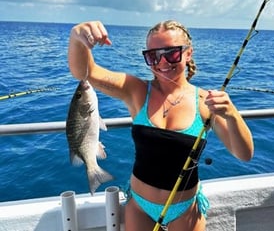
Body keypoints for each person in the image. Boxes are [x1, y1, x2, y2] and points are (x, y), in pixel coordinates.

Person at [68, 20, 254, 231]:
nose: (162, 62)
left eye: (171, 53)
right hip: (139, 205)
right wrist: (77, 37)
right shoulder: (136, 91)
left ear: (188, 53)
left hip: (185, 208)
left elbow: (244, 154)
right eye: (153, 55)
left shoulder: (205, 102)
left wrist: (232, 115)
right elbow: (85, 72)